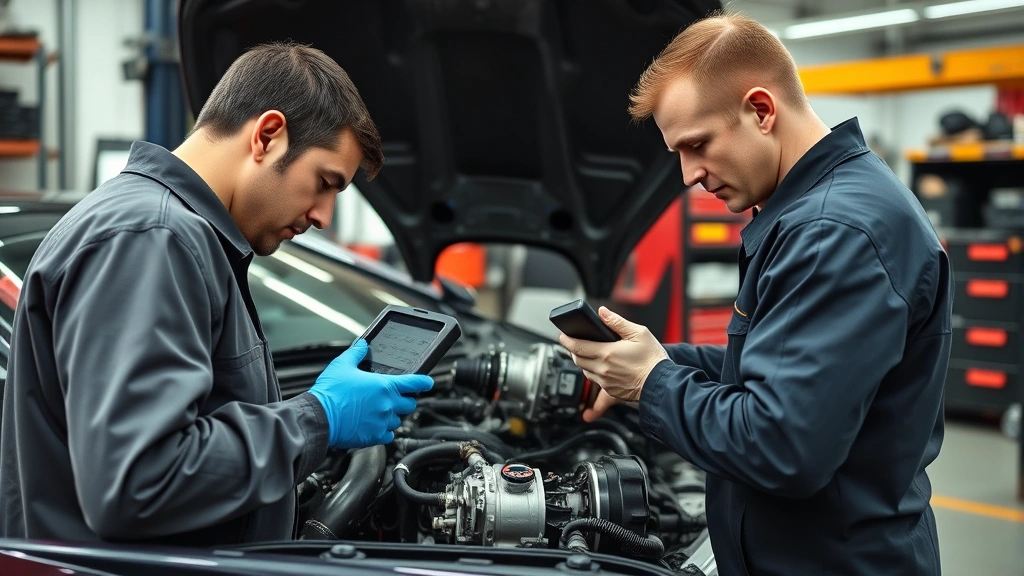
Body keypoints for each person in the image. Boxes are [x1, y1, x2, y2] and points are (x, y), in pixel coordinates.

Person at [559, 13, 950, 576]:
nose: (689, 173)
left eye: (697, 145)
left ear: (761, 110)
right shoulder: (817, 208)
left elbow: (782, 446)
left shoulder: (830, 232)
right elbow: (780, 372)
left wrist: (652, 385)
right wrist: (656, 360)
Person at [0, 42, 433, 545]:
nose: (323, 217)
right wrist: (318, 418)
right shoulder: (150, 238)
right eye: (324, 182)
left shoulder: (177, 233)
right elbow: (140, 481)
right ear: (268, 136)